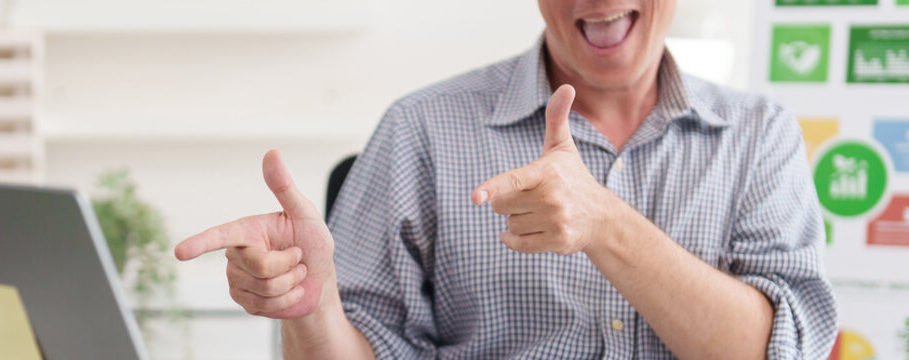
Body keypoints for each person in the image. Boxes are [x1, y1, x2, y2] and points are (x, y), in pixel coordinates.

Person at [174, 0, 839, 358]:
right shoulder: (421, 130)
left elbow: (778, 352)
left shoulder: (760, 135)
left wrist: (605, 222)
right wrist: (313, 310)